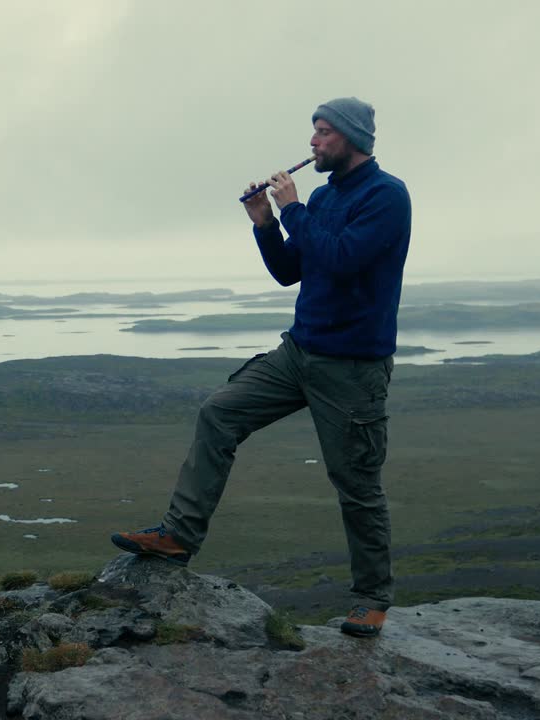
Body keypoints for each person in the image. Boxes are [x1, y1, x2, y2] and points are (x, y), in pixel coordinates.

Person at [111, 97, 412, 638]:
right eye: (313, 133)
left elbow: (342, 260)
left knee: (356, 483)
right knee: (219, 413)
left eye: (322, 133)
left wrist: (293, 209)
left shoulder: (387, 197)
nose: (313, 144)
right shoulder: (323, 196)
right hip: (298, 353)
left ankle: (371, 598)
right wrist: (265, 223)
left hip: (352, 368)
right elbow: (290, 271)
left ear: (352, 139)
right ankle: (178, 536)